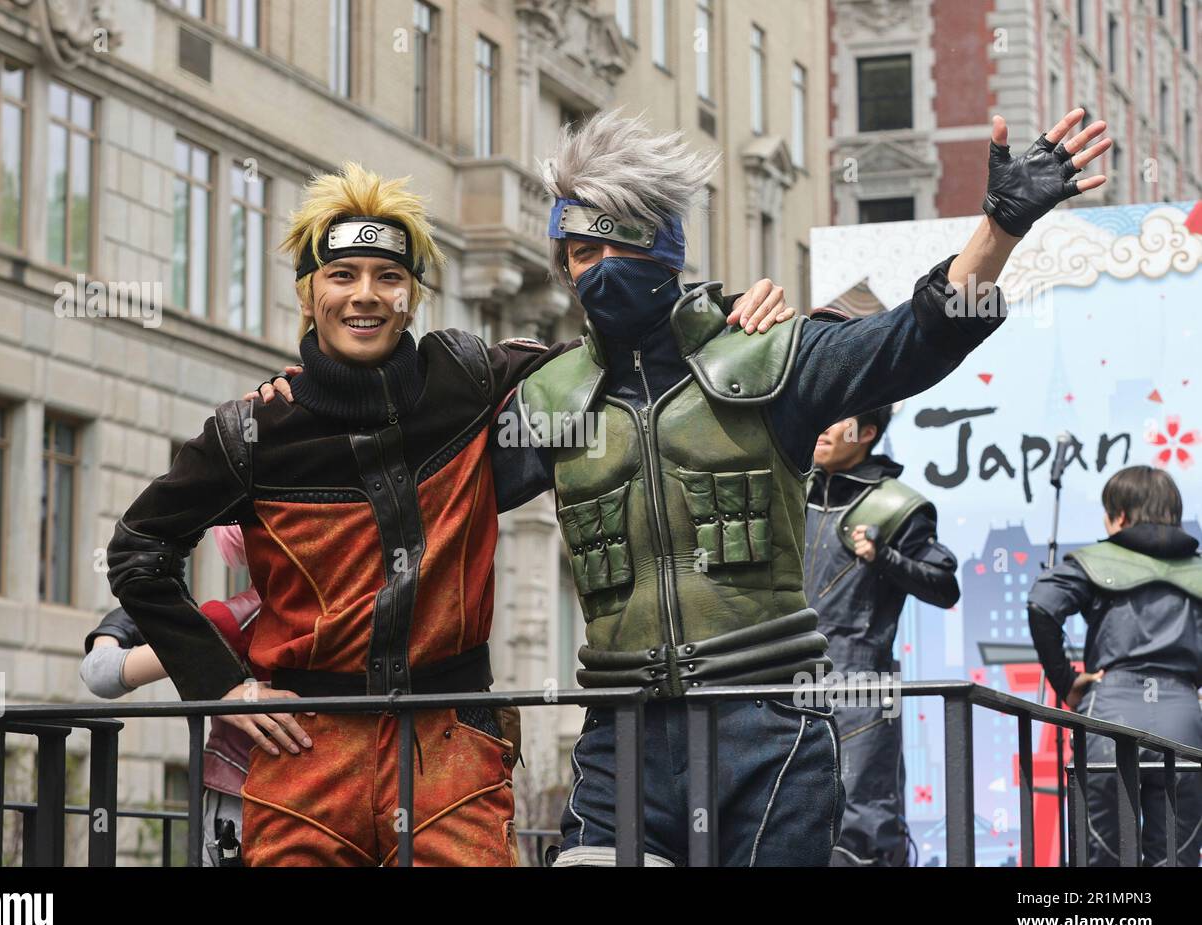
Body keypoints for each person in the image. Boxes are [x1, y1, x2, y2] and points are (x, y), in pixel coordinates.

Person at [109, 159, 793, 867]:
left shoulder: (466, 377)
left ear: (413, 297)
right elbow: (138, 554)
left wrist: (736, 311)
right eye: (342, 276)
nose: (365, 296)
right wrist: (222, 686)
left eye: (389, 277)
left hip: (452, 749)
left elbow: (615, 353)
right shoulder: (252, 429)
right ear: (308, 295)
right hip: (305, 751)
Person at [487, 105, 1111, 866]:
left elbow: (919, 337)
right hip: (622, 735)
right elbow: (417, 503)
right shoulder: (552, 402)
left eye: (622, 238)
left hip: (768, 729)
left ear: (666, 245)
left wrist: (1000, 230)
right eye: (581, 249)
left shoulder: (770, 361)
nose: (601, 264)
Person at [803, 406, 959, 866]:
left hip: (861, 682)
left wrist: (884, 557)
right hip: (785, 676)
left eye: (837, 419)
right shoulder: (794, 490)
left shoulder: (895, 506)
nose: (824, 427)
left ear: (867, 432)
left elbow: (945, 586)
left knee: (861, 820)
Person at [1027, 466, 1202, 866]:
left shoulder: (1094, 561)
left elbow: (1042, 605)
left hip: (1110, 713)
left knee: (1102, 855)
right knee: (1177, 857)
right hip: (1184, 715)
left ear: (1120, 517)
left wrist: (1067, 681)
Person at [82, 526, 266, 866]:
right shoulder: (359, 613)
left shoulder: (235, 620)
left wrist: (118, 624)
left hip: (244, 806)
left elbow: (101, 673)